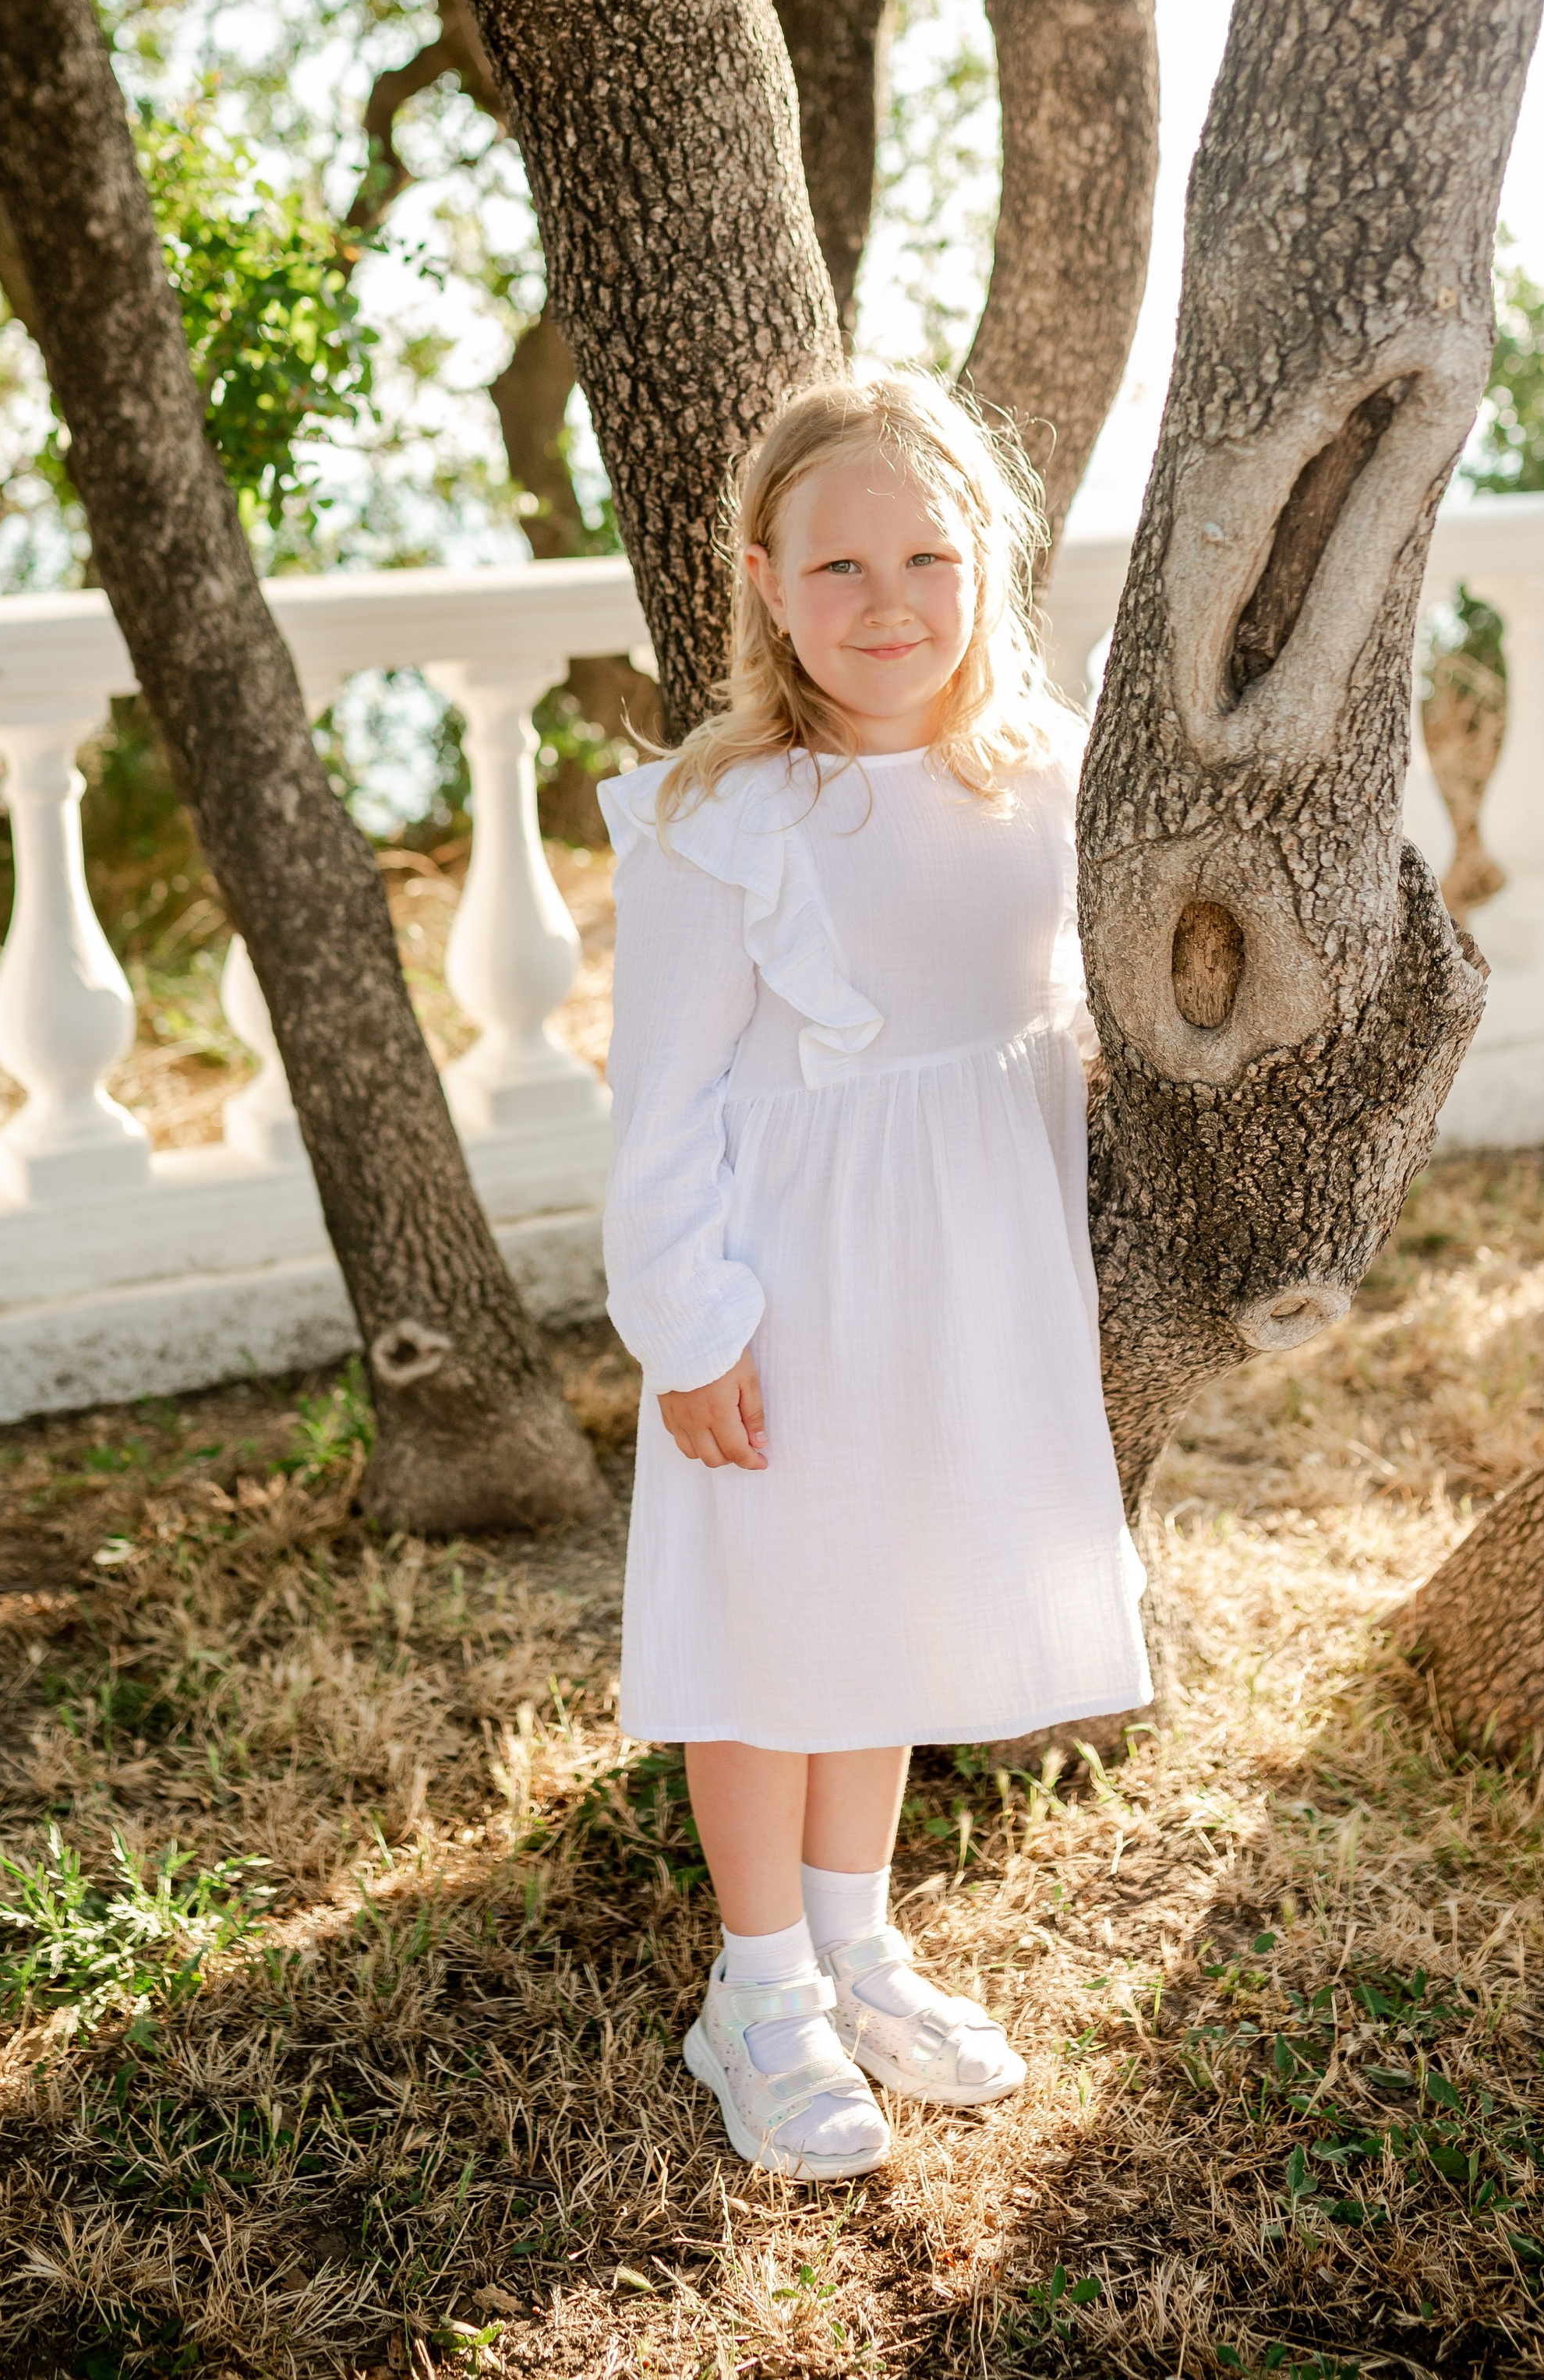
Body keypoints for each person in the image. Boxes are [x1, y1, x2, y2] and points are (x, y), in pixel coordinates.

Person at [598, 369, 1150, 2180]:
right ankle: (754, 1989)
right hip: (787, 1280)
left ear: (986, 561)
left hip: (967, 1267)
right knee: (770, 1626)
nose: (889, 599)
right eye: (838, 567)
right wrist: (690, 1324)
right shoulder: (719, 814)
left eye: (928, 552)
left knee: (888, 1599)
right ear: (761, 581)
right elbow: (662, 1103)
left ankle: (853, 1939)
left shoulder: (1046, 770)